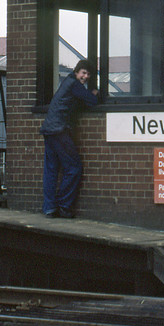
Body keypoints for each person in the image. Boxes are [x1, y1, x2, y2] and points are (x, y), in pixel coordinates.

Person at [39, 59, 98, 218]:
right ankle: (64, 205)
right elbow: (92, 101)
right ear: (76, 71)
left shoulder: (67, 83)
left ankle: (50, 208)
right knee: (73, 168)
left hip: (49, 130)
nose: (86, 77)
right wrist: (93, 93)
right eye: (83, 73)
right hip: (59, 130)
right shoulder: (74, 84)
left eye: (88, 74)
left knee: (51, 170)